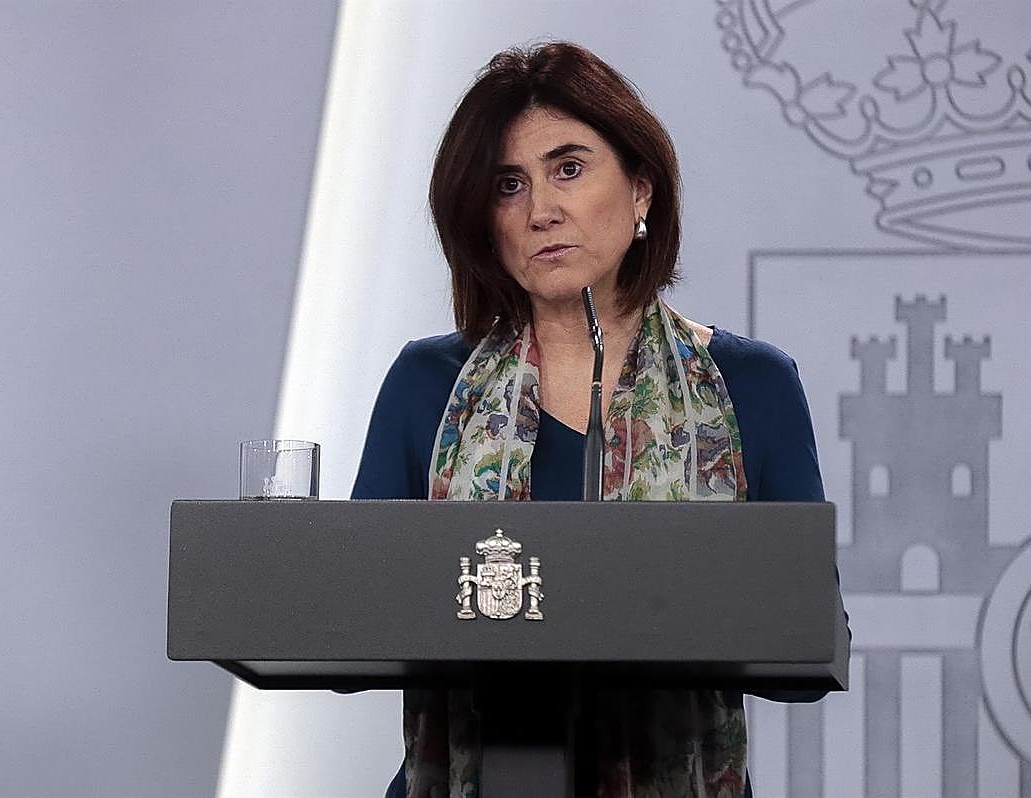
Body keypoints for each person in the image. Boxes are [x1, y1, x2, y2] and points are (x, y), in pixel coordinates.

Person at [352, 41, 847, 798]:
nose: (541, 211)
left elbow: (806, 649)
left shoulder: (752, 385)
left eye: (569, 169)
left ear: (641, 188)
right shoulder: (428, 385)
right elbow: (353, 616)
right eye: (509, 185)